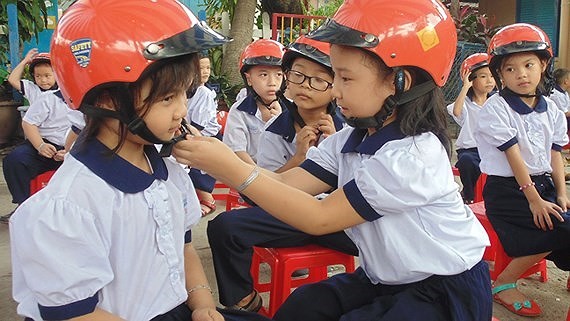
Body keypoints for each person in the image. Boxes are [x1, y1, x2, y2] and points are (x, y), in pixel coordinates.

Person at [173, 0, 492, 320]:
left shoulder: (411, 156)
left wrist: (227, 167)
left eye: (345, 78)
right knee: (303, 306)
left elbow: (319, 217)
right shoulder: (350, 139)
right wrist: (221, 158)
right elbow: (286, 182)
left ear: (400, 81)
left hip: (445, 288)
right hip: (386, 278)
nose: (335, 91)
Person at [8, 1, 272, 321]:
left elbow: (184, 247)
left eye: (184, 95)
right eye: (166, 98)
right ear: (107, 100)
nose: (182, 111)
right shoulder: (71, 205)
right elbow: (73, 313)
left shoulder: (169, 171)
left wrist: (202, 302)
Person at [207, 35, 357, 312]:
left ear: (335, 85)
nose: (304, 86)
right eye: (298, 76)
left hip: (339, 220)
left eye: (318, 79)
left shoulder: (350, 127)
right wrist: (299, 157)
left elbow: (357, 192)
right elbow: (267, 186)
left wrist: (339, 145)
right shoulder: (276, 128)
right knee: (223, 226)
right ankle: (244, 302)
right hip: (291, 214)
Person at [476, 23, 570, 317]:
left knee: (563, 220)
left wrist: (562, 193)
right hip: (508, 192)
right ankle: (503, 284)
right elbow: (514, 156)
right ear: (500, 75)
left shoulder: (552, 109)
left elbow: (555, 155)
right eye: (510, 69)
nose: (521, 74)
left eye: (529, 65)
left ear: (543, 64)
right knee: (561, 228)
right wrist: (533, 199)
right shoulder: (496, 108)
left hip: (543, 187)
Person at [1, 89, 70, 223]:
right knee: (16, 160)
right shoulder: (48, 98)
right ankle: (24, 206)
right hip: (45, 145)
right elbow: (29, 123)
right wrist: (40, 145)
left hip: (77, 148)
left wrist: (70, 151)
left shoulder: (94, 100)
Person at [222, 39, 285, 165]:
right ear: (249, 79)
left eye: (278, 75)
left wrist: (282, 120)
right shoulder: (239, 111)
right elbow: (237, 151)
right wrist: (260, 177)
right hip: (250, 175)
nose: (272, 82)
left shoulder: (293, 108)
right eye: (263, 75)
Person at [447, 53, 496, 203]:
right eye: (482, 76)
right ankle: (469, 195)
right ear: (470, 80)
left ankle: (492, 197)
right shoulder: (466, 103)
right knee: (467, 162)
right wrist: (465, 87)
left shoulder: (497, 101)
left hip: (492, 148)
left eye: (492, 76)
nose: (489, 80)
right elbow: (456, 111)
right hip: (470, 149)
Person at [187, 54, 222, 216]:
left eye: (208, 68)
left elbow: (198, 124)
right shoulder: (188, 91)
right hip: (193, 133)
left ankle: (208, 199)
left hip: (205, 136)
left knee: (193, 165)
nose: (205, 72)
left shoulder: (204, 92)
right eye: (201, 68)